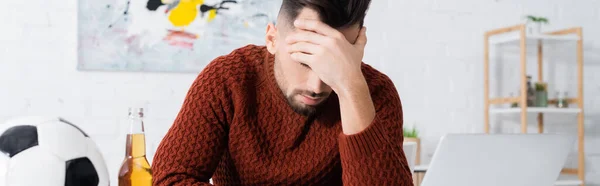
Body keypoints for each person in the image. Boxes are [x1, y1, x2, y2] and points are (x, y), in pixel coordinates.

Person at [151, 0, 413, 185]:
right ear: (272, 39)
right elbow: (169, 179)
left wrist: (351, 86)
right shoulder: (228, 79)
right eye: (304, 61)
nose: (317, 85)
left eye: (333, 62)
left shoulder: (375, 93)